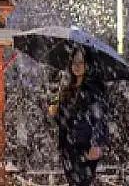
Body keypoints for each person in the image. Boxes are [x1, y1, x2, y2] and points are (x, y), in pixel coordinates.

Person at [47, 47, 110, 186]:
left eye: (81, 62)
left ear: (88, 64)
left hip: (85, 146)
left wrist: (96, 143)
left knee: (82, 182)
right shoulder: (68, 89)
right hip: (68, 147)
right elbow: (64, 121)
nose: (76, 66)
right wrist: (55, 112)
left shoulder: (94, 89)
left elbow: (100, 119)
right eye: (74, 62)